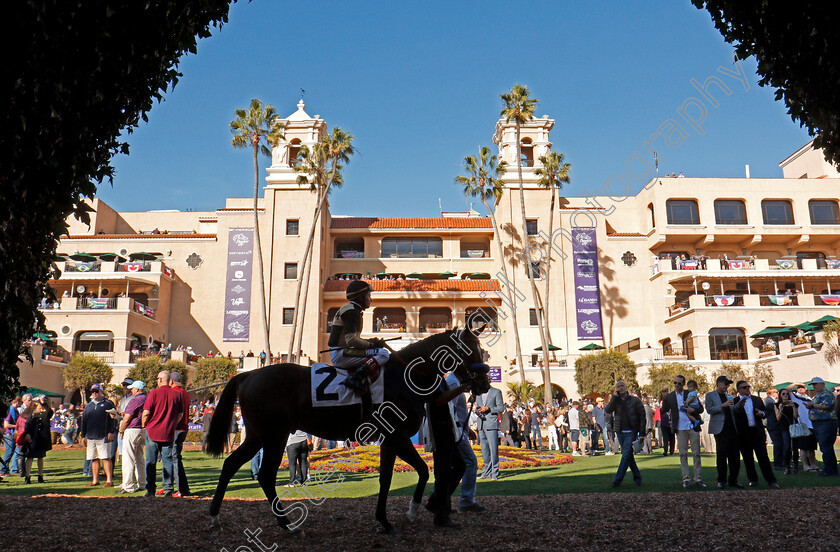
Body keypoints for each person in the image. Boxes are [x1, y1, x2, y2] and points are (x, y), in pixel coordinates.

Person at [327, 280, 389, 394]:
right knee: (383, 354)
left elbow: (352, 340)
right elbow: (351, 340)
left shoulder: (351, 309)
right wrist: (371, 345)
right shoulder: (352, 312)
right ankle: (355, 378)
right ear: (360, 297)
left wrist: (369, 342)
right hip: (342, 353)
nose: (370, 299)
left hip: (342, 351)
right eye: (368, 295)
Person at [141, 371, 187, 497]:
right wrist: (171, 424)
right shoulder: (177, 394)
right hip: (168, 432)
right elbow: (180, 414)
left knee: (151, 462)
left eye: (157, 378)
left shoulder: (154, 393)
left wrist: (144, 425)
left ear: (161, 380)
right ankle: (168, 488)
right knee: (168, 461)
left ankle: (150, 490)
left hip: (153, 431)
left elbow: (146, 412)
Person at [732, 380, 779, 488]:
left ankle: (771, 480)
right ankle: (753, 479)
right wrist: (739, 407)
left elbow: (766, 411)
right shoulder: (735, 401)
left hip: (757, 431)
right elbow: (734, 414)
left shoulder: (756, 399)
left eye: (748, 387)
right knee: (748, 458)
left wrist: (761, 413)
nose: (747, 389)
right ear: (739, 390)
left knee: (763, 457)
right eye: (744, 387)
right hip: (744, 433)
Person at [663, 375, 705, 488]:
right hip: (680, 428)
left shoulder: (690, 393)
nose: (676, 385)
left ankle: (698, 479)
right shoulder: (671, 396)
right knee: (683, 454)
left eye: (679, 383)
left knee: (696, 453)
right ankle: (686, 479)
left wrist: (694, 410)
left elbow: (701, 408)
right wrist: (664, 398)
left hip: (692, 426)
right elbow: (664, 410)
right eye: (675, 383)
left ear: (683, 384)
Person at [604, 380, 645, 487]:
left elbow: (642, 417)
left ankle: (617, 480)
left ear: (626, 388)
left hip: (631, 431)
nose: (620, 388)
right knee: (628, 456)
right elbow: (608, 410)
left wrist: (642, 433)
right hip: (620, 431)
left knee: (625, 454)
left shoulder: (635, 401)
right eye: (618, 386)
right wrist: (614, 397)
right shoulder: (615, 401)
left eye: (622, 386)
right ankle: (637, 477)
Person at [705, 376, 742, 489]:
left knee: (735, 456)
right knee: (721, 455)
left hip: (732, 428)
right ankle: (721, 480)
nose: (727, 386)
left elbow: (732, 410)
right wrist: (722, 405)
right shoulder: (710, 395)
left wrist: (738, 406)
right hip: (720, 429)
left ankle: (733, 480)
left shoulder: (729, 396)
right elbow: (709, 409)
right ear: (719, 384)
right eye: (725, 384)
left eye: (728, 384)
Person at [81, 384, 116, 487]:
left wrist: (111, 431)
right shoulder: (89, 406)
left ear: (101, 392)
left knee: (106, 457)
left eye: (96, 391)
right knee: (94, 458)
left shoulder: (108, 404)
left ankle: (109, 480)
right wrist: (83, 435)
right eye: (93, 392)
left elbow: (113, 419)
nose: (94, 393)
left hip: (103, 435)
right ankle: (95, 480)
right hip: (91, 436)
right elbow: (84, 421)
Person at [117, 380, 147, 494]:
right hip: (143, 429)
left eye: (133, 389)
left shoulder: (135, 400)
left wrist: (121, 430)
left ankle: (128, 486)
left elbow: (127, 418)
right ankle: (142, 483)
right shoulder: (147, 398)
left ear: (137, 389)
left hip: (132, 429)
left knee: (128, 458)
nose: (132, 391)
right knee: (140, 457)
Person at [805, 377, 838, 476]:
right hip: (820, 423)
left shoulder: (827, 394)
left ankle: (829, 470)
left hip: (826, 423)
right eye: (813, 385)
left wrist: (812, 405)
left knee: (825, 447)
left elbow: (827, 406)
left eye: (815, 384)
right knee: (826, 447)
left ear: (822, 383)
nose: (814, 386)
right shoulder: (818, 395)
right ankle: (832, 469)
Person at [168, 372, 192, 496]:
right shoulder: (185, 393)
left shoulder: (175, 392)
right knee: (174, 458)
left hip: (176, 428)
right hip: (184, 428)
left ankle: (180, 489)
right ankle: (172, 486)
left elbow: (178, 413)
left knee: (174, 458)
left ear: (171, 382)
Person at [788, 384, 818, 472]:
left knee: (812, 448)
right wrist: (795, 383)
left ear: (806, 389)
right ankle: (805, 465)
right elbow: (786, 390)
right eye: (798, 387)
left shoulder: (810, 398)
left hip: (812, 424)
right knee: (803, 447)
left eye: (802, 387)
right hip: (802, 425)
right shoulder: (795, 397)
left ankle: (813, 464)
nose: (800, 389)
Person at [774, 387, 798, 475]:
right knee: (787, 447)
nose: (785, 395)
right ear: (780, 395)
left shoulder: (794, 404)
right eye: (783, 394)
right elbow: (778, 418)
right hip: (784, 428)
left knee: (795, 448)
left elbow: (796, 416)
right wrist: (781, 409)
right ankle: (787, 466)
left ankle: (796, 466)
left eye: (787, 394)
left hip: (794, 427)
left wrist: (793, 407)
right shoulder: (777, 405)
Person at [764, 387, 784, 470]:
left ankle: (781, 461)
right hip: (773, 425)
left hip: (777, 425)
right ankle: (777, 463)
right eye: (775, 392)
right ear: (770, 393)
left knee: (781, 444)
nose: (777, 393)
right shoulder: (768, 400)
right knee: (778, 444)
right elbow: (773, 408)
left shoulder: (773, 401)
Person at [2, 396, 21, 476]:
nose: (21, 404)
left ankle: (6, 470)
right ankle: (1, 470)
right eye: (21, 402)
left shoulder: (16, 411)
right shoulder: (10, 411)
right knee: (9, 452)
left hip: (13, 434)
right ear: (17, 402)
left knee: (11, 452)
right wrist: (17, 426)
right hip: (8, 434)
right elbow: (6, 424)